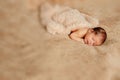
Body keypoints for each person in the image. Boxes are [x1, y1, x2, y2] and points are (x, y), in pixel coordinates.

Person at [40, 3, 107, 46]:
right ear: (91, 30)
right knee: (56, 18)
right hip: (67, 16)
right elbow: (72, 35)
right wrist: (81, 41)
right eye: (92, 39)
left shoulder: (88, 27)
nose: (90, 43)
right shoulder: (83, 31)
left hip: (74, 14)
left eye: (93, 44)